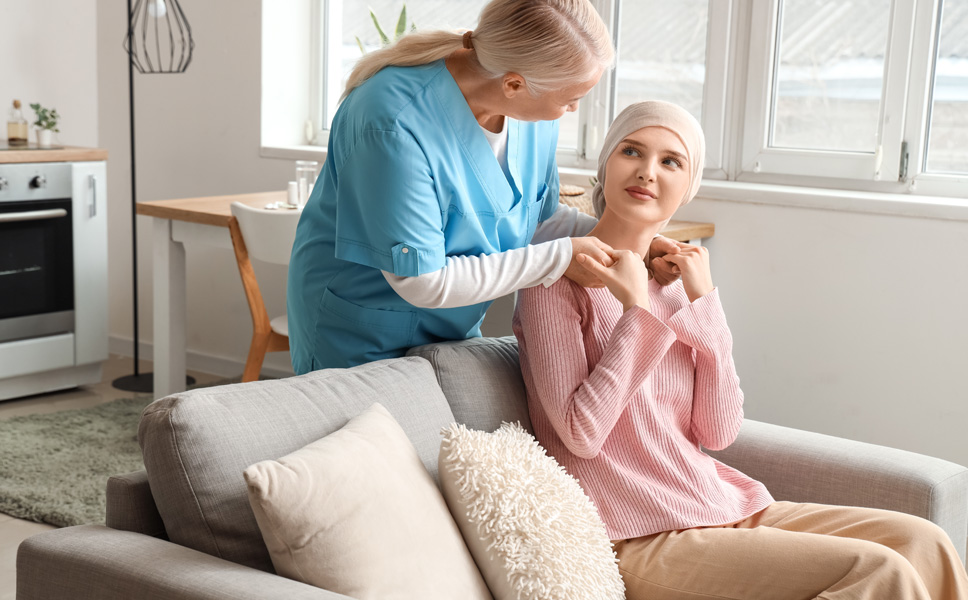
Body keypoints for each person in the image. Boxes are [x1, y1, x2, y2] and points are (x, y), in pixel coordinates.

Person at [513, 100, 968, 599]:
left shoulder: (676, 282)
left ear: (689, 188)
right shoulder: (555, 283)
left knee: (926, 542)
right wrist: (634, 312)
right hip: (634, 534)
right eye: (632, 151)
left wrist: (706, 306)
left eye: (671, 161)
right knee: (879, 569)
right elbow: (581, 434)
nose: (647, 171)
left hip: (714, 505)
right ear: (606, 164)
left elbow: (718, 429)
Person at [286, 0, 682, 375]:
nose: (574, 110)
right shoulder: (391, 121)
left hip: (452, 325)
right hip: (361, 326)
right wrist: (559, 259)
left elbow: (534, 219)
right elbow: (422, 281)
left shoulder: (534, 117)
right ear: (513, 84)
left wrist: (635, 245)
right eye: (571, 99)